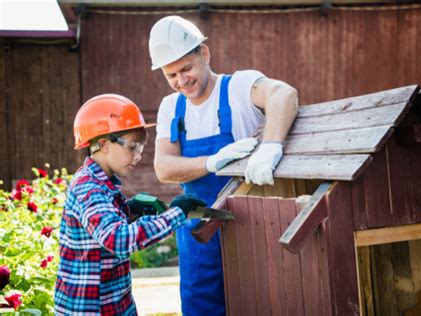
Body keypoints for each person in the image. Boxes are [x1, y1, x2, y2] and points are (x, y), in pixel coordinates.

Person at [149, 16, 299, 315]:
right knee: (202, 307)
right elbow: (164, 167)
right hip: (199, 230)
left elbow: (284, 94)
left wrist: (271, 145)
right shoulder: (171, 107)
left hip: (252, 225)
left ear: (204, 54)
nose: (181, 81)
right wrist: (212, 162)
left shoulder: (239, 87)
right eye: (172, 75)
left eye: (186, 69)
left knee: (259, 301)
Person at [54, 94, 206, 315]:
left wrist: (130, 209)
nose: (138, 156)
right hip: (89, 308)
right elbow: (117, 240)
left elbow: (104, 224)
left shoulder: (103, 183)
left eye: (141, 149)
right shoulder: (89, 187)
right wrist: (176, 214)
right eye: (132, 147)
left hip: (115, 302)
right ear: (104, 144)